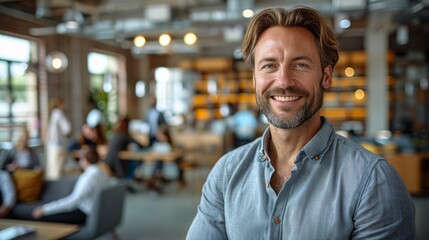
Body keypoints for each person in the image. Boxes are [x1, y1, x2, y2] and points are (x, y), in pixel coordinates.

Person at [186, 6, 416, 239]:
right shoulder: (226, 173)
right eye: (269, 66)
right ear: (255, 78)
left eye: (300, 65)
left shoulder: (372, 181)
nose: (284, 81)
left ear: (326, 76)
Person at [32, 145, 111, 224]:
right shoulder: (102, 173)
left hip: (84, 214)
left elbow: (72, 202)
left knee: (44, 217)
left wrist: (45, 209)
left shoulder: (88, 177)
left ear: (84, 161)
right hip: (97, 212)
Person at [46, 97, 71, 180]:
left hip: (52, 147)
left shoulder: (53, 114)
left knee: (52, 172)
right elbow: (67, 129)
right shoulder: (58, 113)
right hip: (59, 148)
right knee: (58, 173)